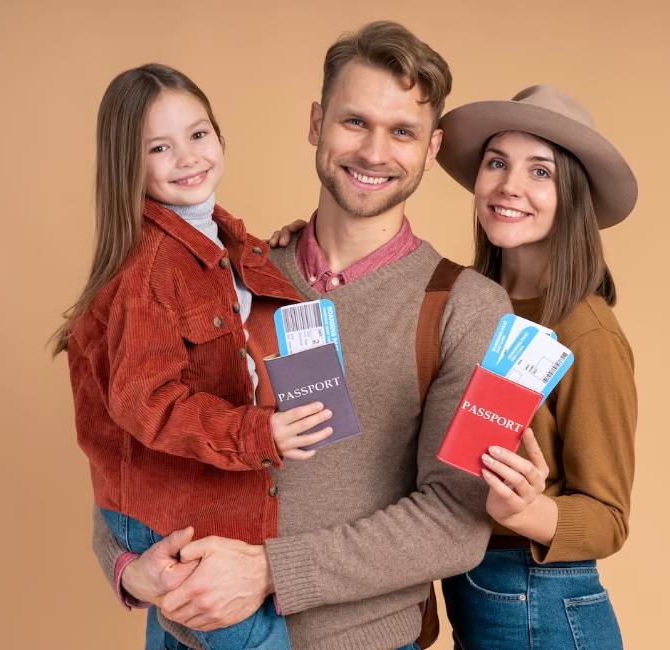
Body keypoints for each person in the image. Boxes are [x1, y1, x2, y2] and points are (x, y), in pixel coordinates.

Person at [90, 22, 514, 650]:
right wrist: (127, 569)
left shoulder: (476, 311)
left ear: (432, 148)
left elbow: (456, 519)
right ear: (316, 123)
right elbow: (133, 436)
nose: (374, 152)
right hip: (187, 633)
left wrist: (268, 571)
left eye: (402, 131)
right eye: (354, 122)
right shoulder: (227, 274)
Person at [52, 63, 337, 650]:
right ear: (127, 165)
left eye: (199, 134)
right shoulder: (150, 266)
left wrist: (282, 252)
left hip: (202, 508)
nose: (187, 157)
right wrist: (260, 435)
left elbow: (258, 323)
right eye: (160, 146)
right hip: (181, 519)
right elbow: (146, 399)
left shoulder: (227, 241)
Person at [433, 85, 639, 648]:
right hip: (470, 589)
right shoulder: (465, 304)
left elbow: (608, 517)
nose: (509, 186)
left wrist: (527, 511)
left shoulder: (585, 331)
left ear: (573, 195)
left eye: (540, 172)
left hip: (540, 602)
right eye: (496, 162)